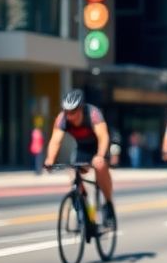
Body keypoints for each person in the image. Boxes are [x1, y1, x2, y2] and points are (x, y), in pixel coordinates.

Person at [43, 89, 115, 220]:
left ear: (81, 108)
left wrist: (100, 156)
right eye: (67, 112)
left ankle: (108, 203)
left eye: (73, 112)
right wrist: (50, 160)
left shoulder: (93, 114)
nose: (70, 116)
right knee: (73, 172)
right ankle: (84, 206)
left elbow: (103, 137)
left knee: (100, 167)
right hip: (82, 148)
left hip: (99, 147)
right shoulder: (62, 119)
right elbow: (55, 141)